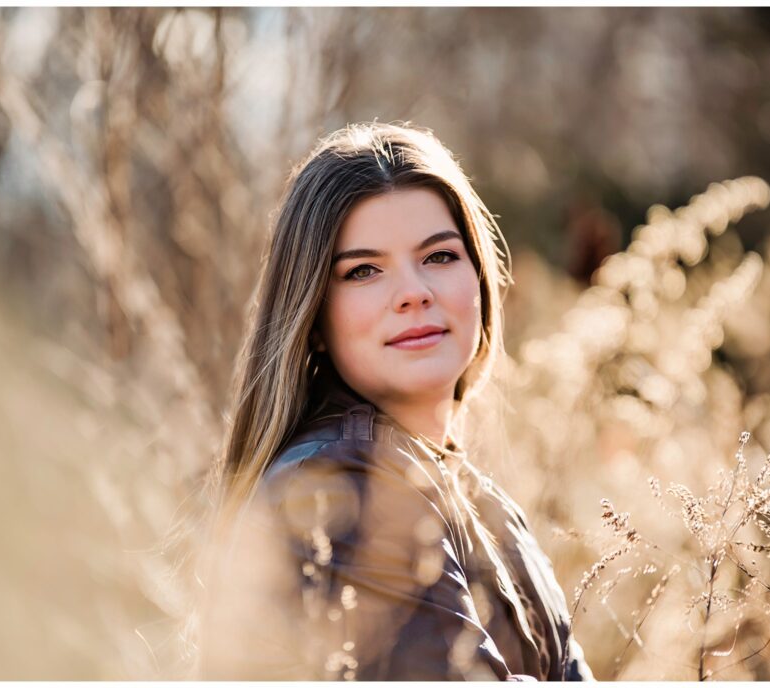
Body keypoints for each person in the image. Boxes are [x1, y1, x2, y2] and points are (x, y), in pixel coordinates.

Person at [207, 122, 593, 681]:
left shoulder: (476, 497)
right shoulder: (342, 484)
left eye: (439, 256)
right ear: (312, 317)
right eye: (363, 270)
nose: (413, 291)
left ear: (480, 277)